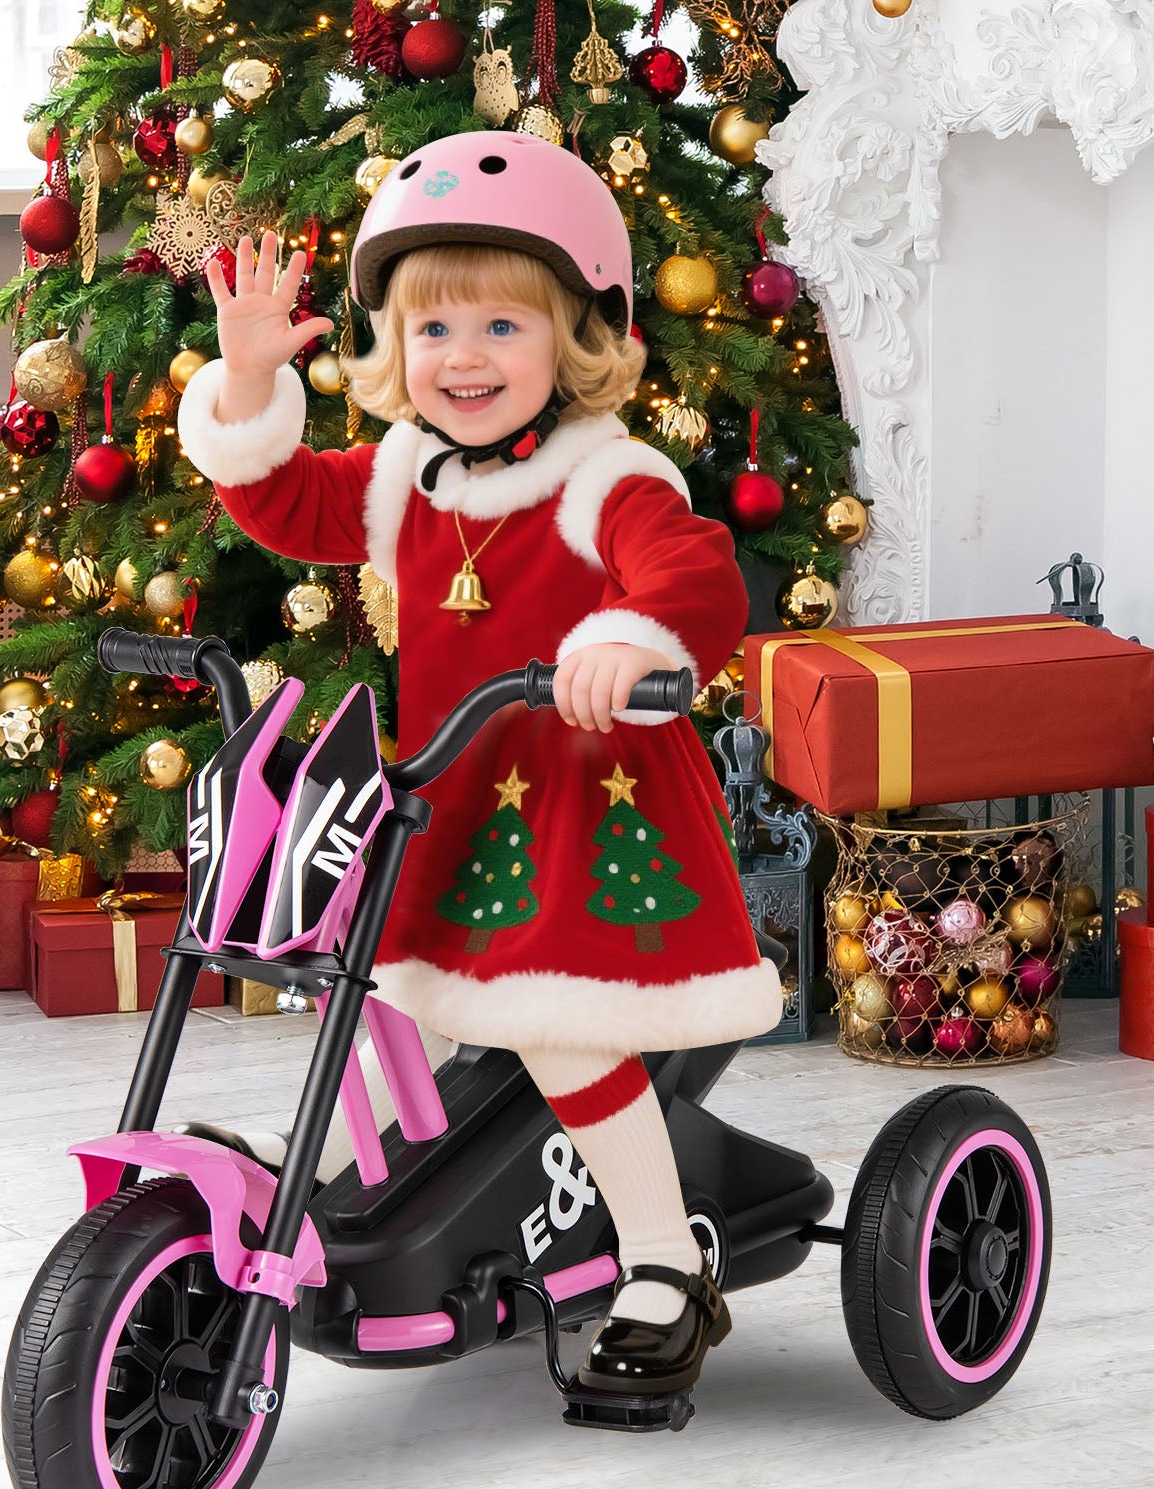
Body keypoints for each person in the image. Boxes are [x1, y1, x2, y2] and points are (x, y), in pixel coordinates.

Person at [177, 130, 781, 1399]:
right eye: (435, 328)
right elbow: (288, 505)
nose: (464, 359)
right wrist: (242, 390)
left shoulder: (601, 477)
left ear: (573, 338)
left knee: (557, 1030)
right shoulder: (409, 473)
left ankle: (667, 1261)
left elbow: (691, 568)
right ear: (396, 346)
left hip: (586, 804)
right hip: (452, 796)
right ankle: (333, 1189)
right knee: (360, 984)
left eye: (504, 329)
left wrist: (626, 639)